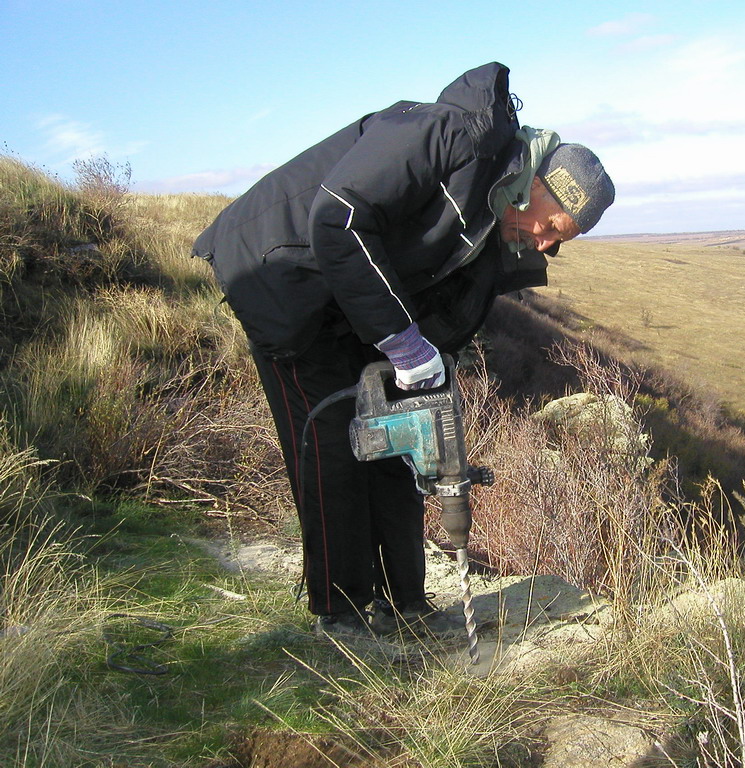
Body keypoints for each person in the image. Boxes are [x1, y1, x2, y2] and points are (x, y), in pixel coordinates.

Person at [192, 62, 614, 639]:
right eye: (553, 227)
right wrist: (403, 343)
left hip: (355, 302)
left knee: (399, 442)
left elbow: (447, 305)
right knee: (332, 444)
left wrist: (428, 379)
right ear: (537, 186)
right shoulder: (449, 137)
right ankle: (342, 613)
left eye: (559, 241)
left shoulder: (494, 217)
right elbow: (338, 217)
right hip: (281, 274)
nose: (545, 245)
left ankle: (405, 602)